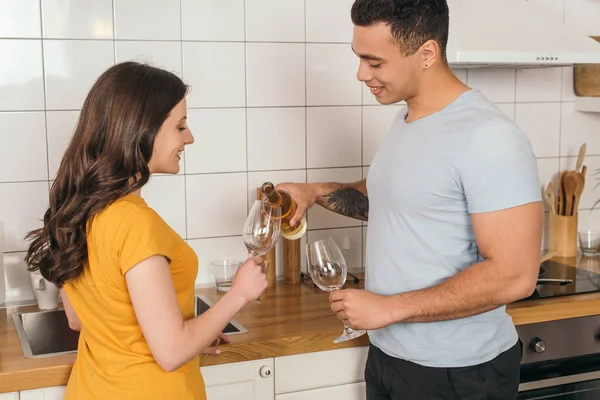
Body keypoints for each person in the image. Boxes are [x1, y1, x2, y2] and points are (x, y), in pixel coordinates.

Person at [277, 0, 543, 398]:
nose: (361, 73)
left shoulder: (488, 136)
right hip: (389, 355)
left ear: (427, 53)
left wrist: (390, 308)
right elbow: (396, 201)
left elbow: (516, 275)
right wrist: (313, 193)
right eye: (359, 58)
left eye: (375, 62)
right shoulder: (407, 120)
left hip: (459, 372)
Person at [24, 62, 267, 400]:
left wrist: (197, 333)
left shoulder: (78, 211)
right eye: (180, 126)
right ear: (141, 130)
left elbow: (80, 320)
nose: (190, 137)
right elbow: (170, 352)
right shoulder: (135, 222)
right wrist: (240, 293)